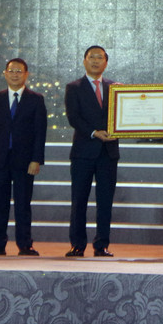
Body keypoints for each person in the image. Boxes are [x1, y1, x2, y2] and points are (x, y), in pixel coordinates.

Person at [0, 58, 47, 257]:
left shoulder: (36, 99)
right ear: (5, 73)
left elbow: (39, 132)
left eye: (19, 71)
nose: (15, 74)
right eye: (11, 71)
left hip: (25, 161)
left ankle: (25, 244)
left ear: (26, 74)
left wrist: (36, 159)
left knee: (23, 203)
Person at [65, 45, 119, 258]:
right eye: (91, 57)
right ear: (84, 61)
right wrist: (95, 132)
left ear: (106, 62)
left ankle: (101, 245)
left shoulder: (115, 88)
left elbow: (123, 115)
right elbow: (73, 118)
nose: (95, 61)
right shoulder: (74, 87)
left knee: (105, 202)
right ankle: (77, 245)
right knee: (79, 200)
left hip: (108, 152)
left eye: (100, 57)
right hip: (83, 152)